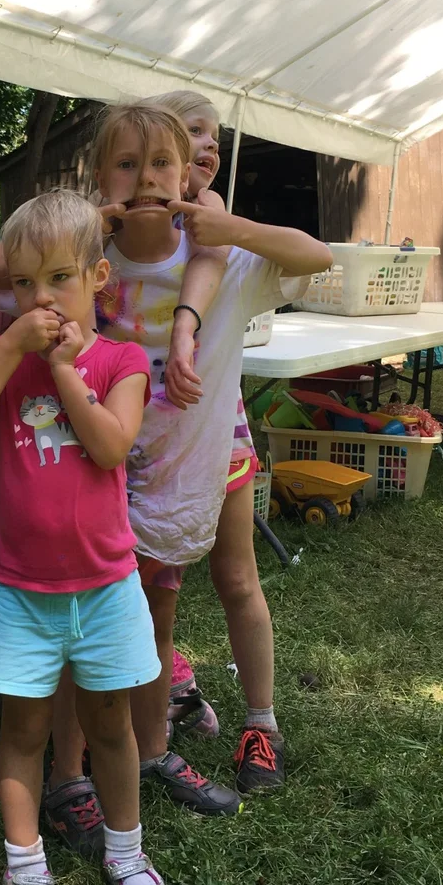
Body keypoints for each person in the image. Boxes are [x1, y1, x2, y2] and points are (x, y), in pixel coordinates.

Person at [0, 190, 175, 885]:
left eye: (58, 280)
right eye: (23, 284)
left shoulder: (121, 359)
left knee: (110, 727)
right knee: (24, 734)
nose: (40, 299)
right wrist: (12, 345)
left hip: (106, 588)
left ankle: (126, 853)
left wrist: (69, 372)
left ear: (98, 277)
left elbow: (112, 446)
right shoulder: (4, 357)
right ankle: (24, 868)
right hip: (20, 591)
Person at [90, 97, 332, 804]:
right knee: (136, 601)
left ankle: (261, 723)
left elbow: (314, 256)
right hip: (117, 458)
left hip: (212, 447)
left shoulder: (222, 258)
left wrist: (232, 226)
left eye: (206, 144)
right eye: (138, 160)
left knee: (235, 580)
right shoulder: (94, 257)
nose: (198, 154)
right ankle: (149, 713)